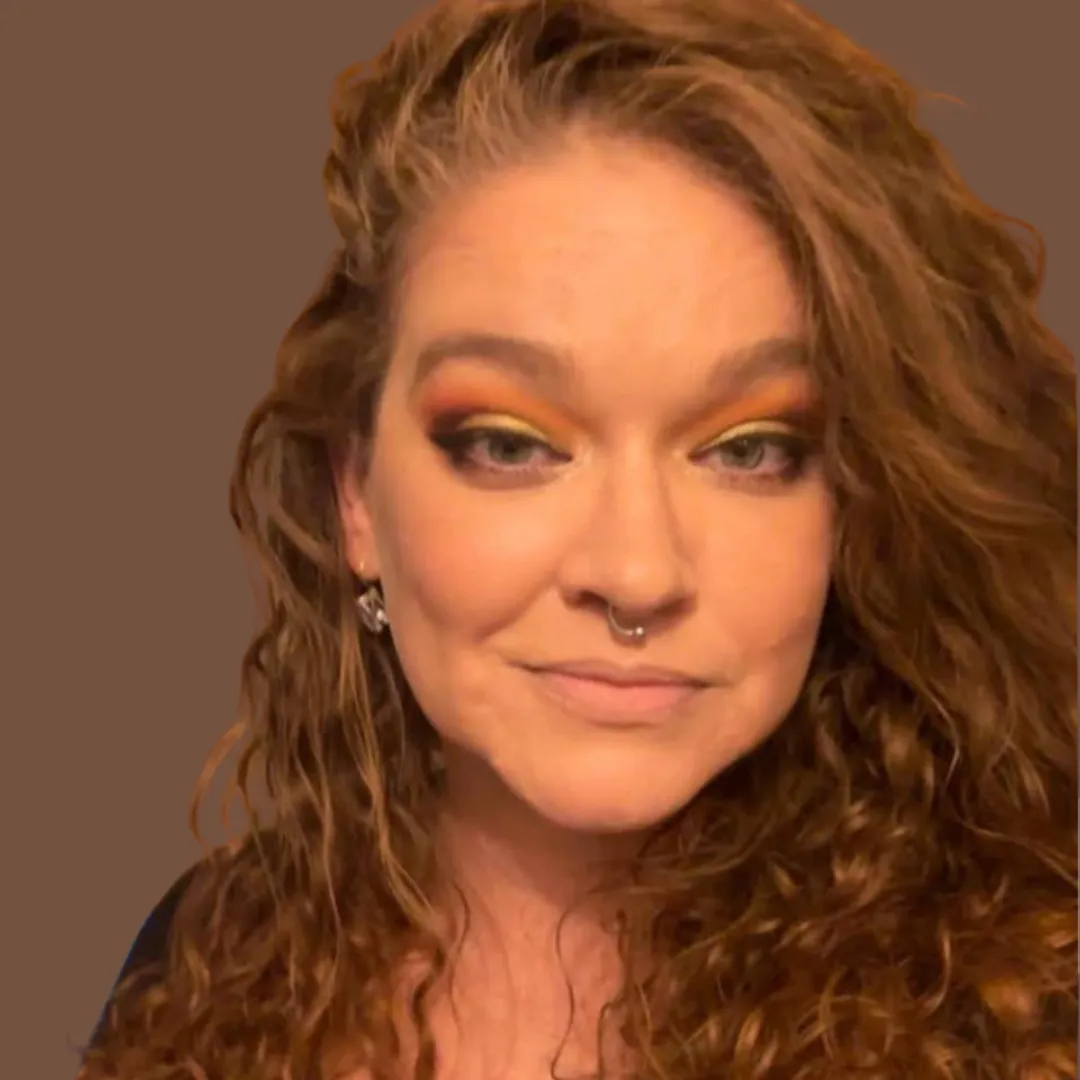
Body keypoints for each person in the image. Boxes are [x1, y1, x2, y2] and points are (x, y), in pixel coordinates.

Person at [80, 0, 1077, 1077]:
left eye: (750, 451)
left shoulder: (1024, 1011)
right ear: (356, 492)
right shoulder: (201, 962)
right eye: (513, 445)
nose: (637, 572)